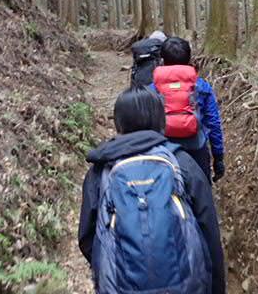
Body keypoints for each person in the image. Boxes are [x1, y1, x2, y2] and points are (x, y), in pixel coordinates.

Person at [78, 87, 225, 294]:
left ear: (118, 123)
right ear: (160, 120)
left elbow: (87, 238)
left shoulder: (99, 172)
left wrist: (107, 269)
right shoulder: (181, 162)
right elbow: (208, 229)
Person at [152, 37, 225, 183]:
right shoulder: (201, 86)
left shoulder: (152, 89)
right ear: (189, 59)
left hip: (163, 150)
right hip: (196, 147)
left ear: (162, 60)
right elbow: (213, 123)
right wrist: (218, 157)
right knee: (202, 190)